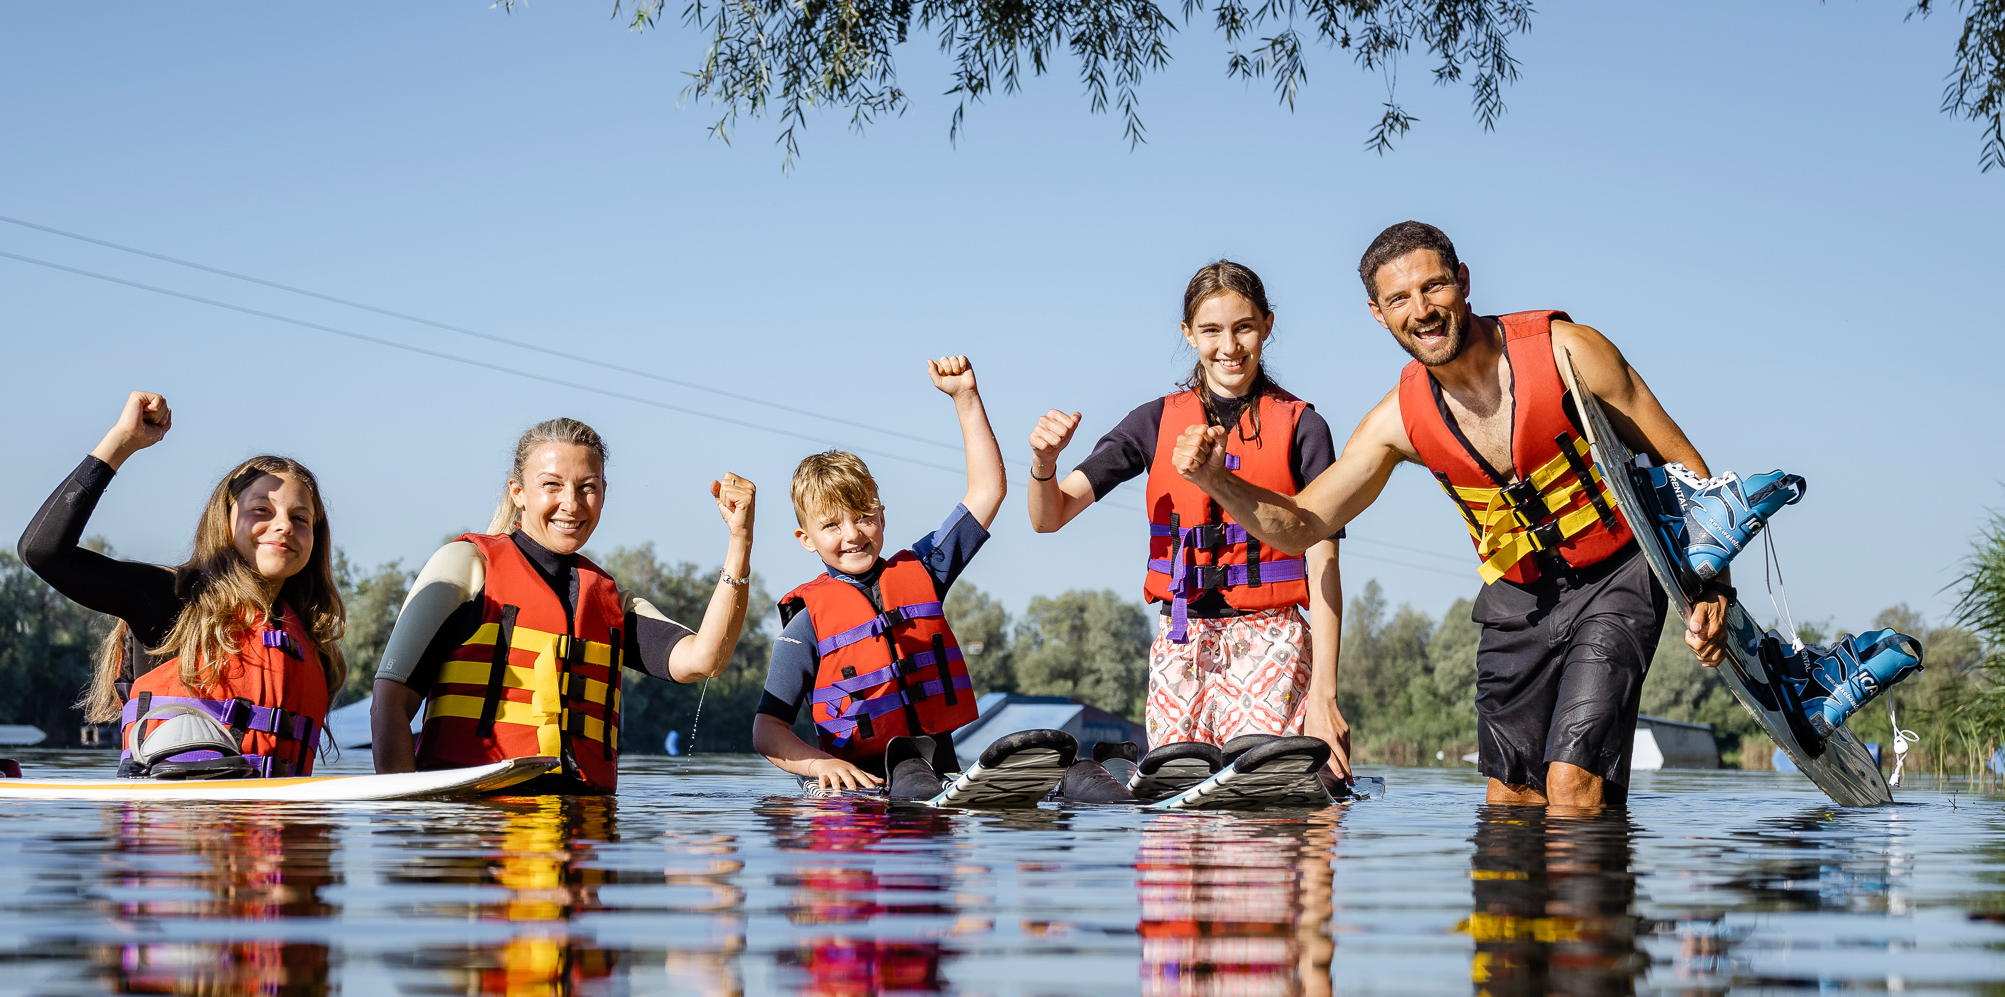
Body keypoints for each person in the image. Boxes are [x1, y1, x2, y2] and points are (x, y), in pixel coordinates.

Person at [1169, 222, 1756, 811]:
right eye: (1399, 299)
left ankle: (1595, 897)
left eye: (1434, 287)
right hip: (1519, 598)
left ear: (1464, 282)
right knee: (1510, 800)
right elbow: (1299, 525)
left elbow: (1684, 464)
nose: (1421, 310)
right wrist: (1216, 480)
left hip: (1618, 575)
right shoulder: (1396, 420)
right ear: (1378, 314)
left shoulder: (1570, 351)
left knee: (1571, 787)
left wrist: (1711, 587)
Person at [1026, 261, 1349, 778]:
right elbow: (1050, 516)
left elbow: (1325, 564)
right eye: (1211, 330)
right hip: (1181, 642)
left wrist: (1324, 696)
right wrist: (1044, 465)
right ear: (1188, 335)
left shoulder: (1305, 427)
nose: (1230, 346)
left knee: (1256, 802)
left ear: (1267, 324)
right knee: (1176, 814)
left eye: (1244, 327)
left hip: (1273, 641)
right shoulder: (1153, 422)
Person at [368, 419, 755, 792]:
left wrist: (740, 542)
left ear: (604, 492)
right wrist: (405, 820)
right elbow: (389, 703)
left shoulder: (610, 602)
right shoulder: (467, 565)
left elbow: (706, 660)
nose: (571, 504)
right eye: (551, 485)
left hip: (585, 833)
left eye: (586, 487)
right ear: (517, 491)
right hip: (474, 832)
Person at [20, 391, 345, 777]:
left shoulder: (310, 637)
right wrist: (122, 442)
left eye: (300, 518)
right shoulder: (173, 599)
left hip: (284, 830)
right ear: (224, 522)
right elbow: (42, 552)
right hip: (174, 830)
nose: (283, 525)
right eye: (261, 509)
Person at [751, 357, 1017, 802]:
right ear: (806, 538)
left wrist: (965, 397)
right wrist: (821, 765)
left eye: (863, 517)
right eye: (832, 525)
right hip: (857, 792)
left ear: (882, 516)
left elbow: (988, 490)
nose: (853, 534)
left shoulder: (925, 570)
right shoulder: (807, 624)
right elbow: (766, 729)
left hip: (934, 779)